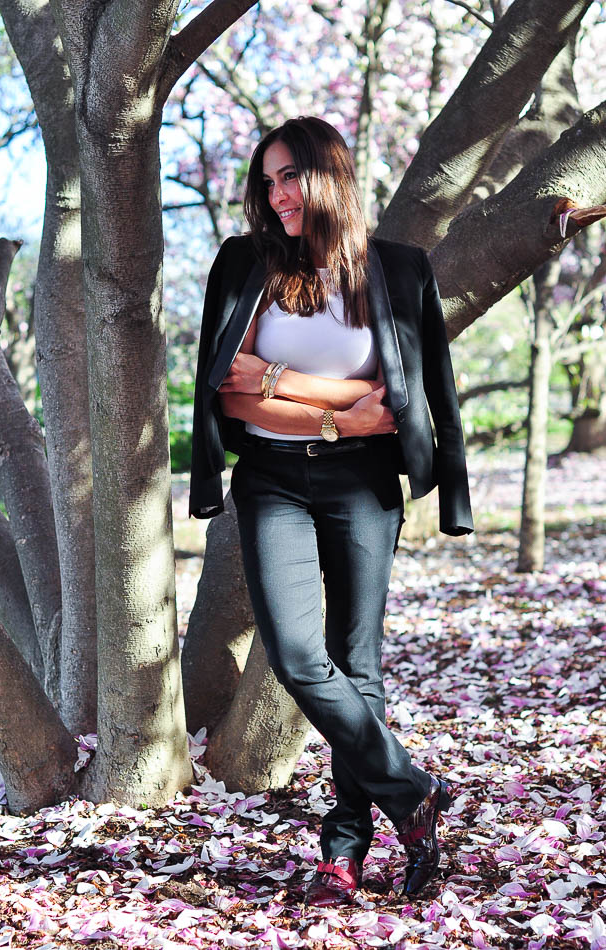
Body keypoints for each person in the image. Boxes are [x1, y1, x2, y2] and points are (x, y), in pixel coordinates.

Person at [189, 116, 473, 906]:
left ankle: (342, 855)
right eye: (267, 180)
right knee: (294, 652)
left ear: (331, 178)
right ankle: (413, 793)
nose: (276, 193)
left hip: (362, 485)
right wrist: (337, 401)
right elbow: (226, 382)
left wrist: (277, 384)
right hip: (271, 481)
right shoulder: (243, 265)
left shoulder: (399, 272)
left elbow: (411, 401)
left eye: (291, 176)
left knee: (358, 663)